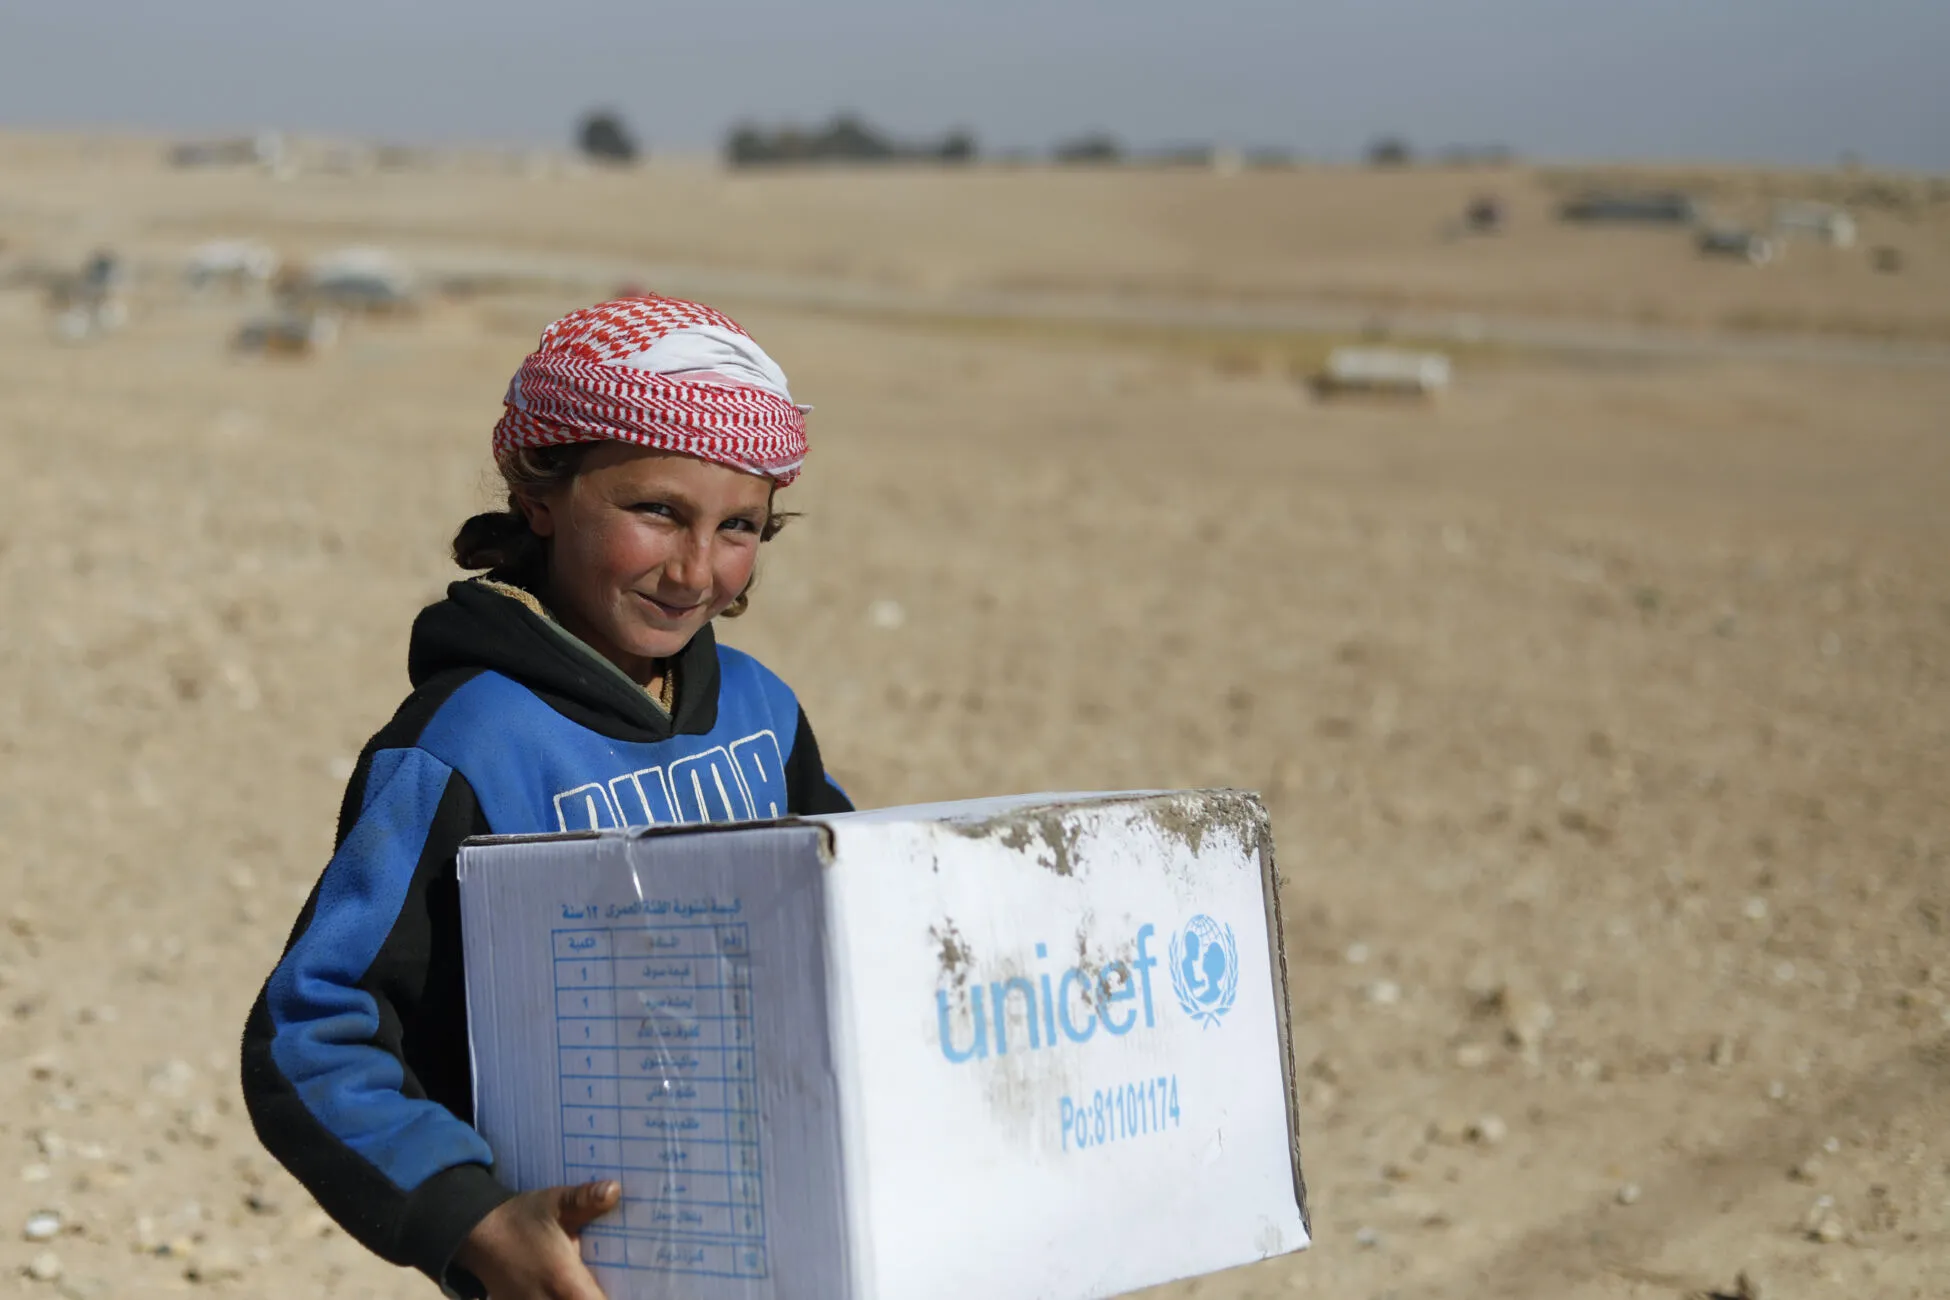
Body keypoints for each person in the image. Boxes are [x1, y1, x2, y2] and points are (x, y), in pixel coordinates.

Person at [240, 294, 852, 1299]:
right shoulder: (465, 746)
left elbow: (849, 933)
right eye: (657, 511)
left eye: (739, 526)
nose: (697, 568)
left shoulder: (762, 713)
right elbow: (313, 1030)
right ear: (540, 494)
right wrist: (474, 1220)